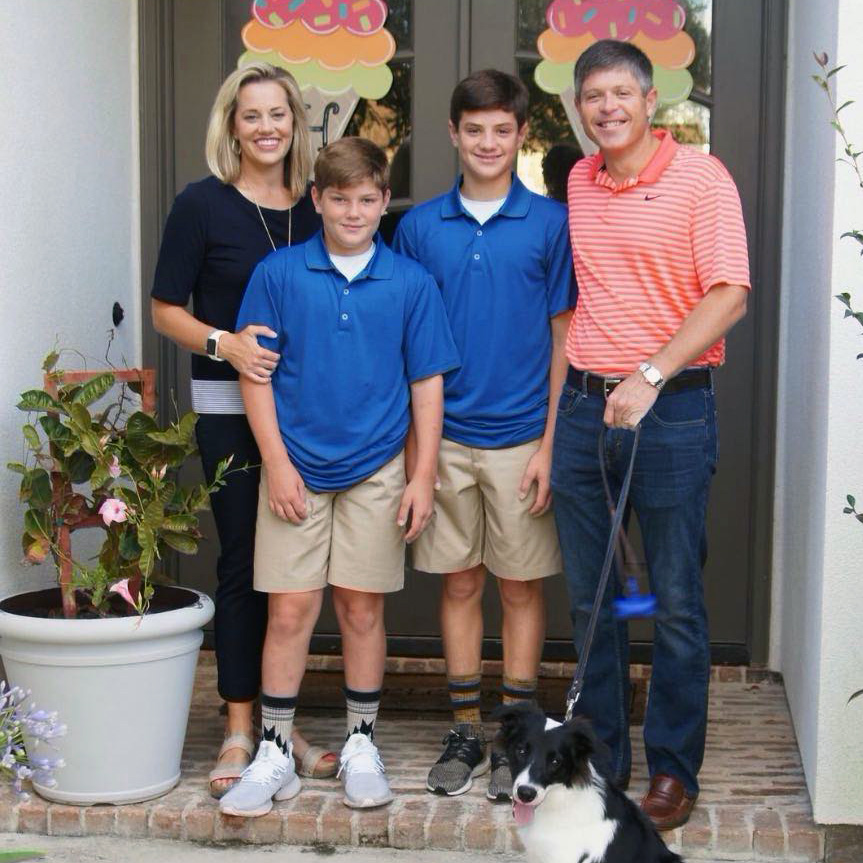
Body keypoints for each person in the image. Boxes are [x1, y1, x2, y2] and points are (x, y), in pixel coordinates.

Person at [218, 137, 459, 817]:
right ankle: (272, 750)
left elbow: (426, 386)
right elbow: (254, 376)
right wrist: (276, 464)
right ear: (316, 200)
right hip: (294, 466)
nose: (353, 211)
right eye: (339, 198)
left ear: (384, 202)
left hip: (377, 468)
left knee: (360, 606)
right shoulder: (278, 273)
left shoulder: (410, 282)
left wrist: (421, 475)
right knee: (291, 608)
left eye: (367, 199)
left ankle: (359, 741)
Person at [551, 40, 750, 830]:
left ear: (649, 98)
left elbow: (729, 291)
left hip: (668, 411)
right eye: (591, 96)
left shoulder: (701, 177)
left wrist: (651, 374)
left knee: (672, 600)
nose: (605, 109)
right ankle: (602, 759)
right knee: (592, 599)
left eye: (619, 94)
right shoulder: (577, 179)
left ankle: (671, 768)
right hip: (581, 412)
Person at [150, 62, 338, 798]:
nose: (266, 127)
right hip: (230, 412)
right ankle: (239, 722)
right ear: (231, 124)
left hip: (312, 414)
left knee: (296, 576)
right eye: (251, 114)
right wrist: (221, 342)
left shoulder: (318, 206)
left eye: (278, 114)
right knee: (244, 564)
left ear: (297, 122)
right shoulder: (201, 205)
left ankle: (282, 724)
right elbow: (166, 307)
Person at [393, 69, 576, 802]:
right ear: (453, 133)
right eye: (474, 129)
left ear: (521, 135)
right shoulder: (417, 227)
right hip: (445, 436)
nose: (488, 142)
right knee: (460, 580)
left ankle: (516, 734)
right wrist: (415, 450)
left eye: (502, 129)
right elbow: (402, 341)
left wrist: (550, 443)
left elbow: (565, 338)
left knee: (520, 584)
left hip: (521, 435)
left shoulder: (548, 224)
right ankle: (465, 728)